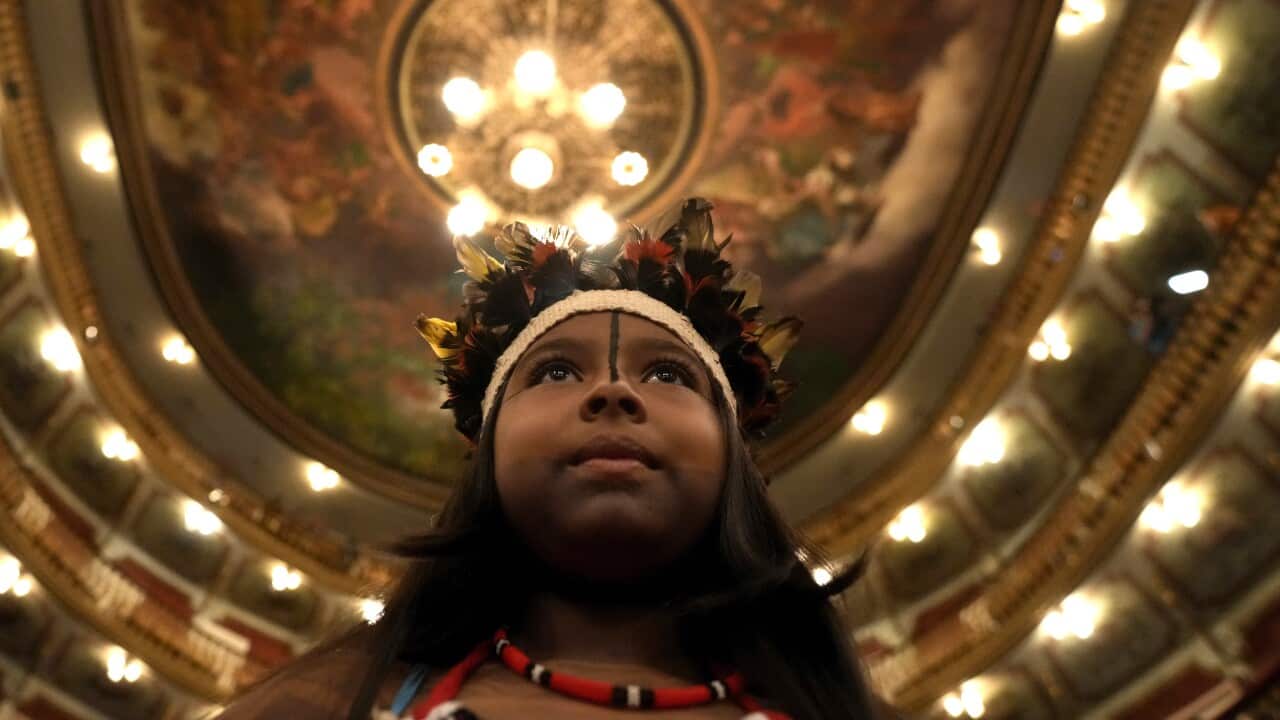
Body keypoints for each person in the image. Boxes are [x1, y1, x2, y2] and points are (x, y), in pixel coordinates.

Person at [216, 199, 882, 719]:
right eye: (558, 372)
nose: (613, 391)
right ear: (490, 452)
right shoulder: (327, 703)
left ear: (736, 459)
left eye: (671, 377)